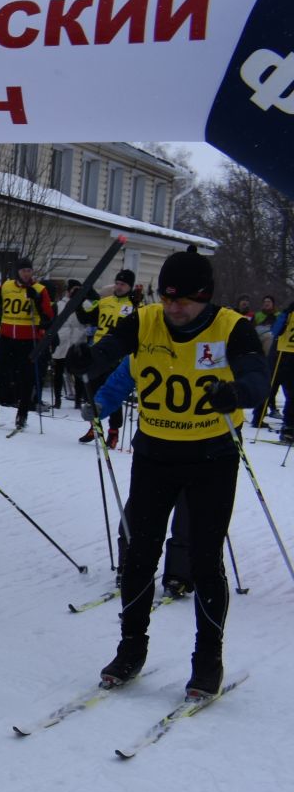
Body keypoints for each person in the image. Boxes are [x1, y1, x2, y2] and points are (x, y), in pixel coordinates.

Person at [87, 250, 267, 699]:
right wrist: (84, 361)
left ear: (204, 297)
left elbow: (257, 377)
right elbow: (111, 349)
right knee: (139, 556)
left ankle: (207, 661)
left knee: (205, 561)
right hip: (155, 454)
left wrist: (236, 392)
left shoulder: (231, 327)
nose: (174, 308)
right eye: (168, 299)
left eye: (184, 300)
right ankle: (131, 648)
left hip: (212, 455)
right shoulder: (145, 319)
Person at [0, 258, 55, 431]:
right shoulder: (6, 286)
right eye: (23, 271)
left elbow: (48, 317)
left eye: (29, 271)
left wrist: (36, 300)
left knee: (26, 378)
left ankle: (22, 415)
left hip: (28, 339)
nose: (26, 274)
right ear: (18, 272)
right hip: (7, 337)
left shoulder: (39, 289)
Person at [79, 269, 137, 447]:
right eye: (118, 283)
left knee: (113, 393)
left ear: (130, 287)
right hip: (98, 352)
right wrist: (83, 297)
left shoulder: (133, 305)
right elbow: (85, 314)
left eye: (123, 285)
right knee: (93, 392)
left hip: (117, 355)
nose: (119, 287)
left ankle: (114, 431)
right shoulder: (104, 301)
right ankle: (94, 427)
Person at [50, 280, 90, 410]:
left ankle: (78, 400)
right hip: (62, 341)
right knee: (58, 372)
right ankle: (57, 399)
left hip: (77, 341)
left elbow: (89, 317)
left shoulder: (85, 304)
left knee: (78, 373)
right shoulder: (60, 305)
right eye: (74, 290)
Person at [255, 307, 293, 440]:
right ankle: (258, 417)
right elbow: (275, 331)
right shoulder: (288, 312)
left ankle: (289, 424)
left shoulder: (287, 311)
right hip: (280, 353)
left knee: (289, 391)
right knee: (271, 386)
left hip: (285, 354)